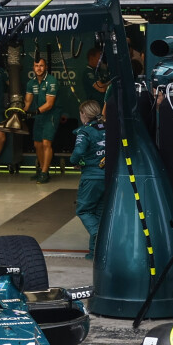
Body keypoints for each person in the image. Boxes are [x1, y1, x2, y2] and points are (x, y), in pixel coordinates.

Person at [69, 100, 106, 258]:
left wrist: (75, 162)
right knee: (98, 213)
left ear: (84, 114)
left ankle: (100, 236)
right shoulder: (108, 128)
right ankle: (94, 253)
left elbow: (77, 154)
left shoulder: (85, 131)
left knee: (83, 210)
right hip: (108, 177)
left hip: (91, 178)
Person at [24, 55, 61, 181]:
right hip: (38, 116)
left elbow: (49, 104)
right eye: (36, 66)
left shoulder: (52, 81)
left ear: (45, 67)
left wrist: (35, 112)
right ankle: (41, 169)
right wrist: (20, 112)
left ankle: (45, 172)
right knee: (37, 144)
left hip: (50, 115)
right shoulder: (31, 83)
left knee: (46, 143)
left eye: (41, 65)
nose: (38, 68)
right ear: (33, 68)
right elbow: (27, 103)